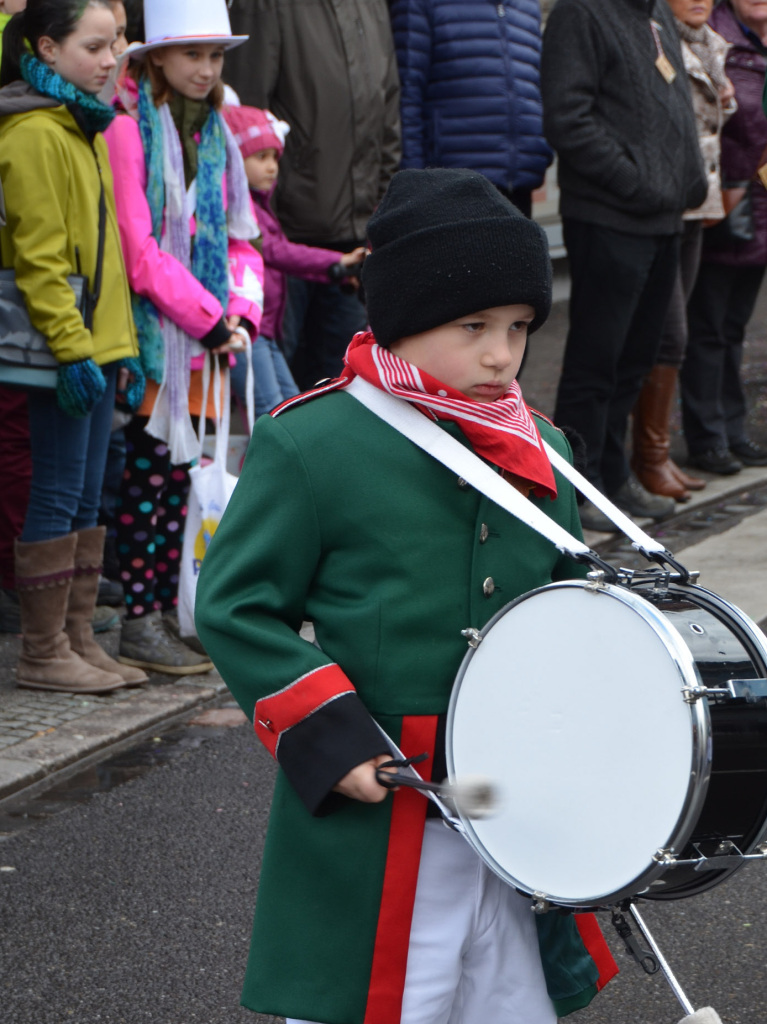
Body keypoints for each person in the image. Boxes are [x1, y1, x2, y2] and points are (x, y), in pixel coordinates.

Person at [196, 168, 617, 1024]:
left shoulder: (541, 445)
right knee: (380, 1001)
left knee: (512, 1001)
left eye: (517, 327)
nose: (500, 355)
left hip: (513, 801)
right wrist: (328, 736)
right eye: (472, 327)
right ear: (404, 317)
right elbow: (236, 605)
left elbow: (572, 601)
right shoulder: (314, 444)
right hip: (383, 793)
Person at [103, 0, 264, 674]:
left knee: (184, 482)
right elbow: (140, 251)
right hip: (159, 343)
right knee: (149, 482)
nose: (206, 69)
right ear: (156, 58)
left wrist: (242, 315)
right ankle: (140, 618)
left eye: (216, 56)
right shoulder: (127, 129)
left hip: (208, 342)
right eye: (192, 54)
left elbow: (242, 241)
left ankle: (173, 612)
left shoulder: (217, 133)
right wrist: (209, 317)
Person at [0, 0, 149, 692]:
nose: (109, 57)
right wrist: (73, 349)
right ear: (46, 48)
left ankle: (77, 638)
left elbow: (104, 257)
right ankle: (42, 652)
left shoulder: (81, 125)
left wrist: (121, 346)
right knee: (57, 494)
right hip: (63, 354)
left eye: (114, 43)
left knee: (87, 498)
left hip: (96, 347)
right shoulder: (33, 132)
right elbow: (42, 259)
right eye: (93, 46)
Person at [541, 0, 707, 532]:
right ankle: (578, 485)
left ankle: (613, 476)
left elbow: (677, 104)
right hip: (610, 217)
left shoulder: (654, 12)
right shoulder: (581, 13)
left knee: (635, 359)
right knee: (596, 362)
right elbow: (569, 118)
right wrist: (639, 182)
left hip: (664, 219)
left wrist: (689, 179)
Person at [224, 0, 401, 389]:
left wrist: (378, 202)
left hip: (352, 235)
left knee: (342, 384)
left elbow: (387, 108)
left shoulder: (372, 7)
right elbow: (244, 122)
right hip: (284, 238)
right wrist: (266, 212)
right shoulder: (269, 7)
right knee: (278, 394)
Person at [632, 0, 736, 500]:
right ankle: (648, 457)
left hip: (700, 200)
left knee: (678, 331)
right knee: (668, 333)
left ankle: (658, 455)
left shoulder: (709, 43)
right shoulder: (654, 35)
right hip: (665, 201)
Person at [223, 103, 366, 416]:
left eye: (275, 157)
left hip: (266, 331)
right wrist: (337, 261)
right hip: (248, 328)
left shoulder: (259, 209)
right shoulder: (240, 211)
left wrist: (337, 268)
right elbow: (278, 252)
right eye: (261, 157)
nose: (273, 167)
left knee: (292, 411)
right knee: (272, 416)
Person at [679, 0, 767, 475]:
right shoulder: (714, 37)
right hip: (726, 199)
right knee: (708, 326)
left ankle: (733, 429)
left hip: (763, 203)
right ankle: (707, 437)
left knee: (734, 326)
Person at [390, 0, 551, 217]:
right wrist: (414, 187)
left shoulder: (527, 6)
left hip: (518, 188)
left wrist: (540, 149)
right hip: (450, 189)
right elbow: (407, 96)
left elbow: (537, 86)